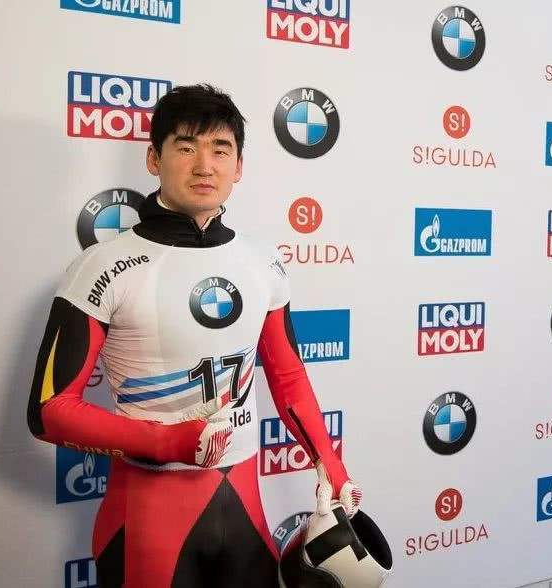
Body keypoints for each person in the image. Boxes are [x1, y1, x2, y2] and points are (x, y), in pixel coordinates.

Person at [27, 84, 361, 587]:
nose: (205, 166)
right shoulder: (101, 266)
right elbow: (48, 411)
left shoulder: (262, 261)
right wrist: (168, 442)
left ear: (239, 166)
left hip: (246, 514)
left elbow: (288, 375)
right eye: (186, 147)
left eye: (220, 150)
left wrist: (329, 462)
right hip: (147, 521)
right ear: (153, 159)